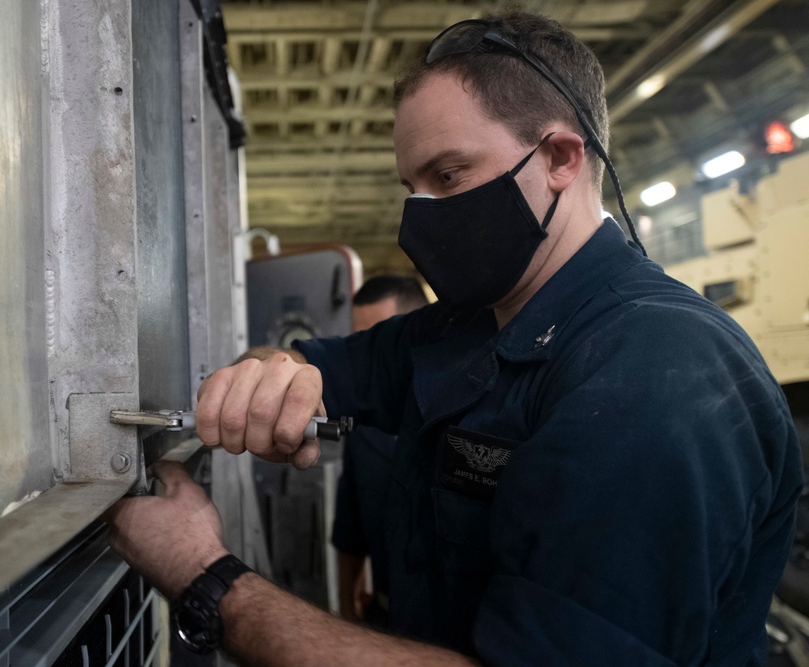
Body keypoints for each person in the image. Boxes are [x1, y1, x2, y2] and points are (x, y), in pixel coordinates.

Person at [106, 11, 802, 665]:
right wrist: (270, 373)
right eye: (412, 186)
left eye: (448, 175)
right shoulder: (462, 327)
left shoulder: (657, 372)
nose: (422, 218)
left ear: (560, 157)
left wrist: (204, 574)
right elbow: (310, 361)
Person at [333, 275, 429, 626]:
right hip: (383, 620)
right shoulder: (363, 430)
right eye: (358, 339)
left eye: (379, 338)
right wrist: (346, 606)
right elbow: (350, 527)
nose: (368, 352)